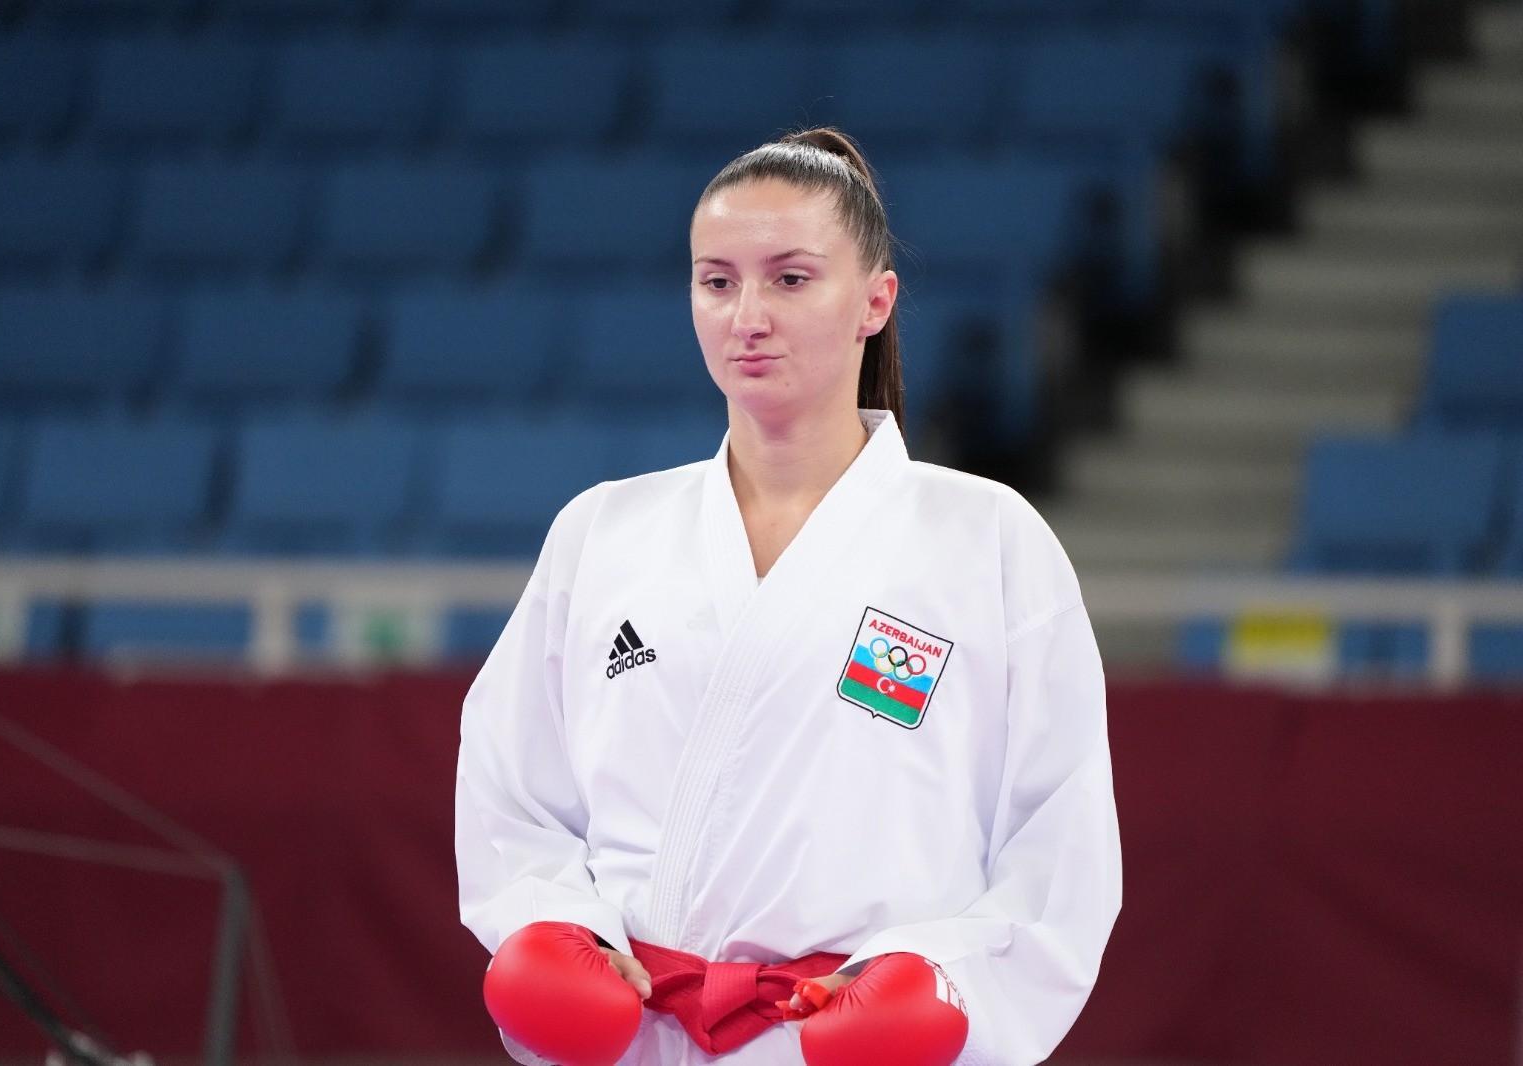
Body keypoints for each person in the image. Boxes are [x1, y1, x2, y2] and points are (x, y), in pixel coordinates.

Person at [456, 126, 1122, 1065]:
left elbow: (1059, 841)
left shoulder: (988, 541)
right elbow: (513, 790)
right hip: (641, 1036)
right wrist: (551, 926)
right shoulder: (603, 532)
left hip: (853, 1042)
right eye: (716, 281)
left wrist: (947, 985)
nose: (747, 316)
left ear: (875, 301)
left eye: (791, 279)